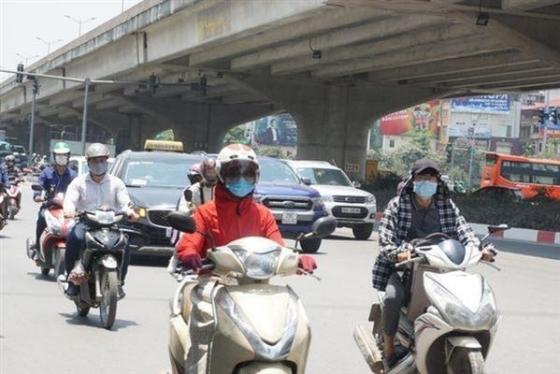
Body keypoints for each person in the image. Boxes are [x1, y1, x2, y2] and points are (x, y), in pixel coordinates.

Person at [175, 143, 317, 372]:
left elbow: (278, 247)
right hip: (215, 284)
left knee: (295, 324)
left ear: (256, 177)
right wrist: (190, 253)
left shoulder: (263, 215)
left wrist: (298, 260)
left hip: (258, 286)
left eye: (248, 173)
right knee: (204, 330)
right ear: (221, 175)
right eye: (234, 172)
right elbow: (190, 241)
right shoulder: (205, 213)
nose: (241, 178)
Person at [372, 158, 495, 369]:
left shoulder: (446, 205)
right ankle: (390, 348)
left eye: (430, 178)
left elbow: (464, 231)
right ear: (413, 180)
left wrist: (480, 249)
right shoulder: (397, 204)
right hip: (408, 266)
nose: (426, 182)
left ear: (438, 181)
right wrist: (398, 253)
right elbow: (385, 239)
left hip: (444, 267)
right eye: (421, 177)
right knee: (393, 297)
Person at [63, 143, 139, 298]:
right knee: (74, 238)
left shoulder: (116, 183)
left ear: (107, 161)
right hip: (87, 223)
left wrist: (130, 211)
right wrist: (69, 210)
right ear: (88, 162)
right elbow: (70, 200)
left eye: (102, 160)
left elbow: (125, 202)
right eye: (95, 161)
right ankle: (71, 280)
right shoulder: (79, 182)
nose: (99, 164)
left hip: (111, 224)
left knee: (125, 244)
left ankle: (119, 282)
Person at [32, 142, 77, 259]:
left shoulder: (73, 175)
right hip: (50, 207)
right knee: (41, 219)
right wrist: (38, 196)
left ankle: (76, 255)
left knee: (78, 226)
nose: (61, 158)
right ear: (54, 156)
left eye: (64, 155)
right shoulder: (46, 173)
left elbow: (80, 190)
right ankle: (37, 249)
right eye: (59, 156)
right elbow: (39, 186)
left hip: (68, 209)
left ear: (68, 157)